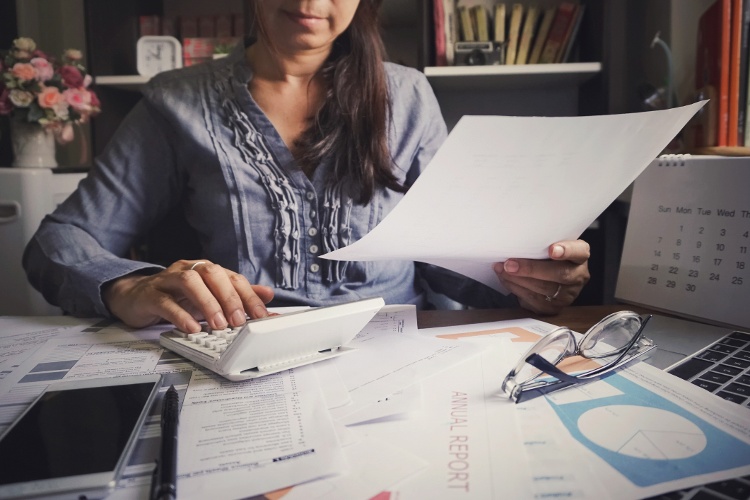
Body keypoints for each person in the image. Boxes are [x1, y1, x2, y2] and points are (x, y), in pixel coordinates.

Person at [23, 0, 590, 334]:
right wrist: (128, 286)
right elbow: (60, 240)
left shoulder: (407, 95)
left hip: (397, 356)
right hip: (243, 363)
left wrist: (525, 279)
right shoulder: (178, 102)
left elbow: (447, 264)